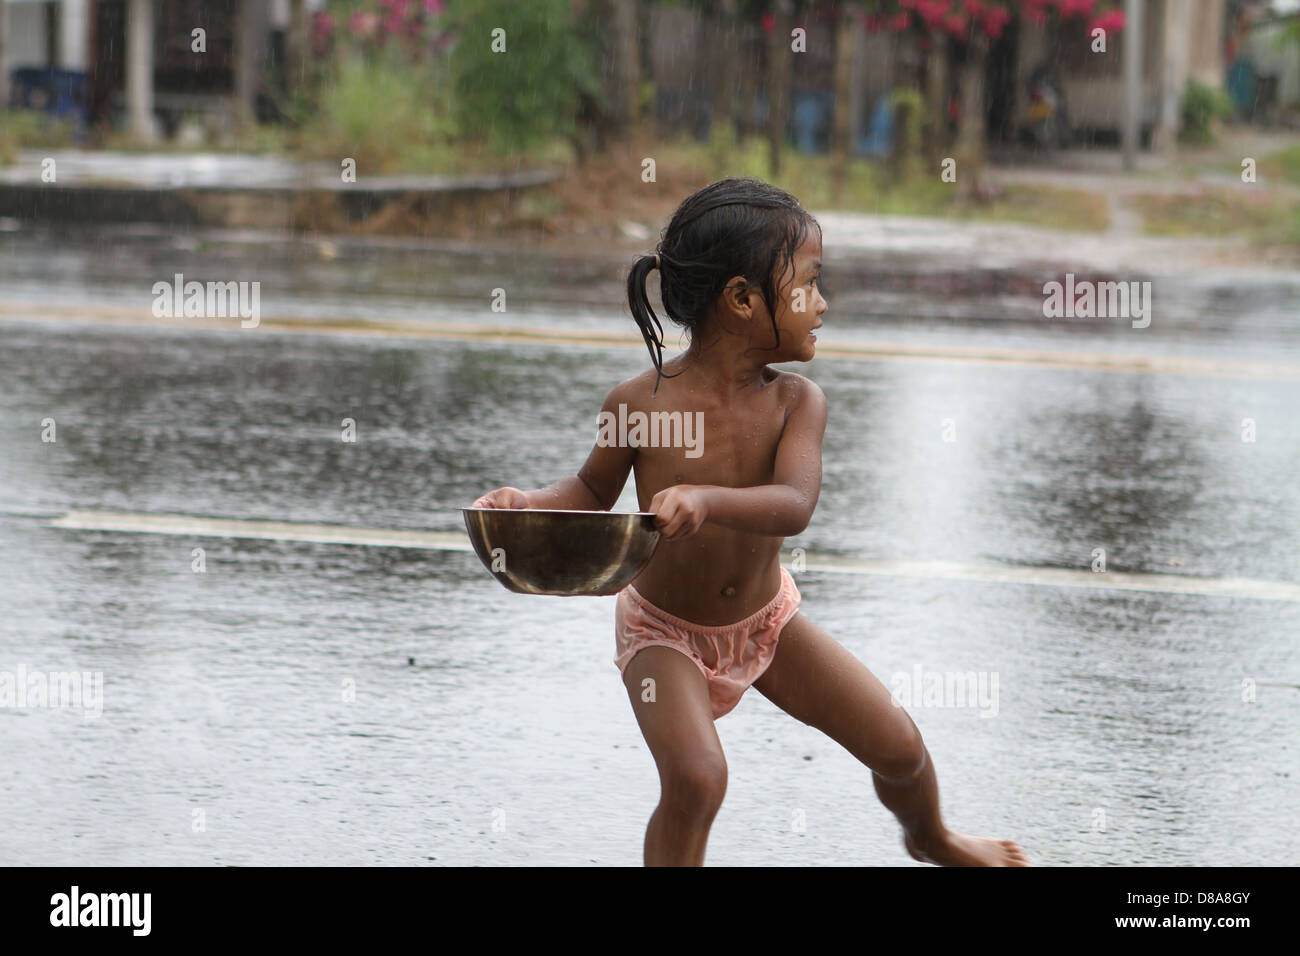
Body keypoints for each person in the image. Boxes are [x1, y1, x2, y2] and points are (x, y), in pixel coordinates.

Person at [473, 177, 1030, 867]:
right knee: (698, 779)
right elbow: (590, 489)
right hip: (662, 631)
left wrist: (705, 498)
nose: (822, 304)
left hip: (768, 620)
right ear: (742, 299)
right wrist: (528, 505)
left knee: (901, 748)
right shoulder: (639, 402)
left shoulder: (797, 402)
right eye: (809, 284)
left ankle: (933, 838)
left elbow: (793, 504)